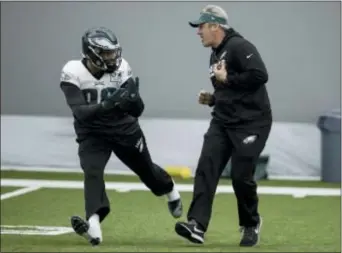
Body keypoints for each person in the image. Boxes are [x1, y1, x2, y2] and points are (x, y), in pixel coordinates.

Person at [59, 27, 183, 246]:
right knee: (92, 172)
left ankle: (169, 189)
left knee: (147, 172)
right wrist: (109, 104)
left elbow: (138, 110)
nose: (112, 58)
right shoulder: (73, 71)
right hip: (92, 133)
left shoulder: (122, 68)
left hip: (122, 128)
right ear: (92, 53)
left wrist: (133, 99)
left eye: (113, 52)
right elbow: (79, 112)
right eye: (106, 53)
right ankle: (94, 224)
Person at [174, 5, 272, 247]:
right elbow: (231, 91)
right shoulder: (216, 53)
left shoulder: (240, 46)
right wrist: (213, 99)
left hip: (252, 122)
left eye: (201, 26)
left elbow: (260, 75)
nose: (198, 32)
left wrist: (227, 79)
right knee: (206, 168)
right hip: (223, 120)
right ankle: (197, 225)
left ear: (215, 26)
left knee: (241, 176)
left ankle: (250, 223)